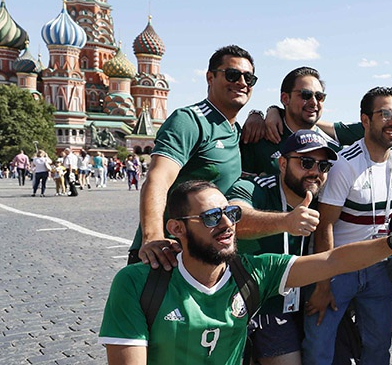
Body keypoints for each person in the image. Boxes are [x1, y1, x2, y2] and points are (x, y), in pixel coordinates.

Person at [99, 179, 392, 365]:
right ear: (175, 228)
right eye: (209, 218)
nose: (225, 224)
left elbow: (333, 262)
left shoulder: (252, 273)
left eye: (231, 213)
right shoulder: (139, 283)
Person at [304, 87, 392, 365]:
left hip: (376, 267)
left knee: (378, 346)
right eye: (385, 114)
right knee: (319, 346)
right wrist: (322, 285)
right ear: (365, 120)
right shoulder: (344, 164)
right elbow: (325, 227)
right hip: (337, 266)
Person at [128, 45, 256, 269]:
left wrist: (263, 113)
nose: (242, 82)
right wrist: (153, 236)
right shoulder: (189, 120)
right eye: (232, 74)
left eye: (249, 78)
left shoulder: (236, 131)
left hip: (207, 257)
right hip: (168, 254)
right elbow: (158, 178)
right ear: (210, 77)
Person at [227, 130, 337, 365]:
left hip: (281, 308)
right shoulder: (256, 186)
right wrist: (285, 222)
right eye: (306, 162)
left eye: (323, 166)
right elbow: (232, 219)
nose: (315, 172)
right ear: (283, 163)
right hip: (234, 303)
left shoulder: (323, 199)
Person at [240, 67, 340, 176]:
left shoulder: (334, 151)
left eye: (319, 96)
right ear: (285, 98)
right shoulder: (257, 138)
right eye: (306, 95)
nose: (314, 102)